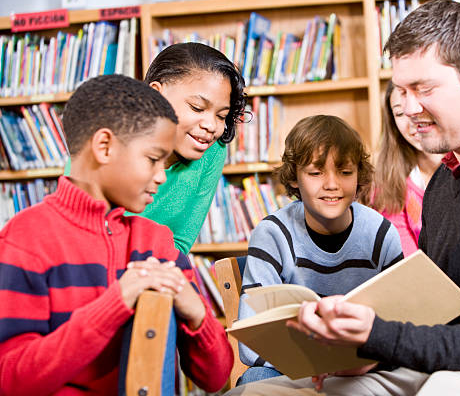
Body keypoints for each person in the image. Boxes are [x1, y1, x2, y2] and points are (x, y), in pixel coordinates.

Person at [226, 0, 460, 396]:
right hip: (452, 361)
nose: (406, 108)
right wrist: (371, 353)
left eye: (423, 88)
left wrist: (377, 337)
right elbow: (437, 317)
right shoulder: (446, 181)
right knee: (259, 392)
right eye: (400, 91)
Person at [0, 75, 233, 395]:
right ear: (104, 146)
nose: (162, 177)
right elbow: (10, 380)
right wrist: (115, 304)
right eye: (153, 160)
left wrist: (196, 313)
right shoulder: (26, 239)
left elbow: (217, 377)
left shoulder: (158, 244)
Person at [235, 115, 404, 385]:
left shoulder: (380, 233)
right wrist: (316, 364)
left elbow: (402, 327)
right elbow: (251, 342)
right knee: (255, 379)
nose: (332, 184)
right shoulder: (272, 234)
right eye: (316, 173)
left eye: (345, 172)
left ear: (359, 176)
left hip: (364, 369)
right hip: (291, 370)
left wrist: (357, 363)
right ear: (294, 179)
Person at [65, 42, 247, 254]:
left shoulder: (213, 149)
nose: (211, 126)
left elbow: (179, 245)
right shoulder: (104, 139)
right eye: (197, 108)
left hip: (154, 272)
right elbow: (78, 235)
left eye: (221, 116)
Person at [369, 81, 443, 255]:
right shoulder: (389, 183)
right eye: (400, 113)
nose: (412, 122)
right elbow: (407, 264)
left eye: (419, 107)